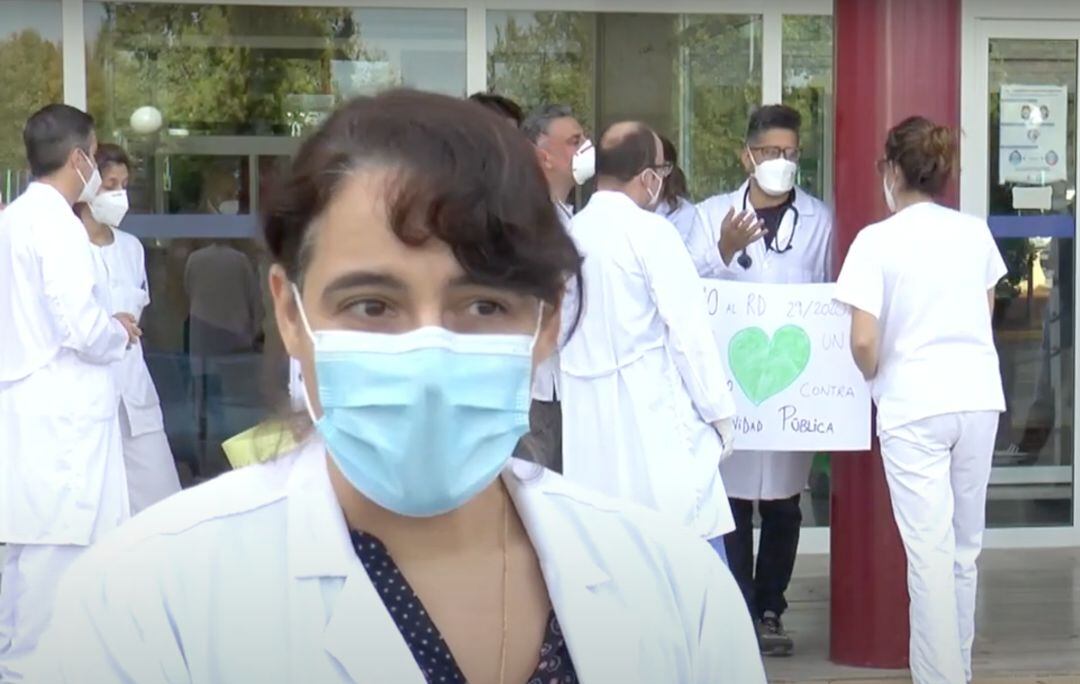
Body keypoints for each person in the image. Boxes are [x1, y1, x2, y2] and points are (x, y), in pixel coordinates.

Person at [30, 90, 766, 684]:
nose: (427, 352)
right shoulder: (142, 609)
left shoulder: (678, 597)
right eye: (371, 305)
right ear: (290, 315)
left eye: (482, 306)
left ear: (546, 325)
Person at [833, 116, 1006, 684]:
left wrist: (878, 374)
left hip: (914, 403)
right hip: (978, 396)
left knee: (927, 553)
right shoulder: (974, 232)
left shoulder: (875, 240)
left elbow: (862, 338)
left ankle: (940, 676)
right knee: (964, 549)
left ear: (892, 171)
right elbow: (983, 313)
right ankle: (960, 665)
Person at [0, 104, 140, 680]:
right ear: (81, 157)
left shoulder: (11, 219)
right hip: (62, 419)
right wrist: (118, 331)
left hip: (28, 412)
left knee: (24, 570)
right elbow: (81, 327)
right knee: (55, 576)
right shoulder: (56, 223)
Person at [559, 120, 738, 562]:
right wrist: (720, 415)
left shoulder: (568, 235)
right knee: (691, 564)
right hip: (657, 419)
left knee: (610, 558)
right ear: (648, 177)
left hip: (589, 427)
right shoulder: (652, 233)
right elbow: (689, 335)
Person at [691, 105, 834, 656]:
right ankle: (736, 609)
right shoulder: (708, 216)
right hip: (731, 384)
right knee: (731, 502)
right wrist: (723, 250)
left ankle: (770, 607)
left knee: (783, 504)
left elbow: (828, 296)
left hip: (791, 383)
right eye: (771, 152)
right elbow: (683, 286)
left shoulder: (820, 220)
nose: (781, 162)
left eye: (791, 153)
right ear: (745, 155)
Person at [75, 143, 181, 514]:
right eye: (109, 184)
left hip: (136, 397)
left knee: (161, 502)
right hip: (84, 401)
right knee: (95, 513)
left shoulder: (132, 248)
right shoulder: (64, 248)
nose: (118, 193)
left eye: (123, 184)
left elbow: (140, 321)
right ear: (87, 187)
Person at [514, 104, 593, 472]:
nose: (585, 149)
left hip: (568, 389)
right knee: (532, 499)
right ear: (540, 155)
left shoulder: (568, 217)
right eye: (574, 141)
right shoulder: (521, 220)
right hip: (532, 391)